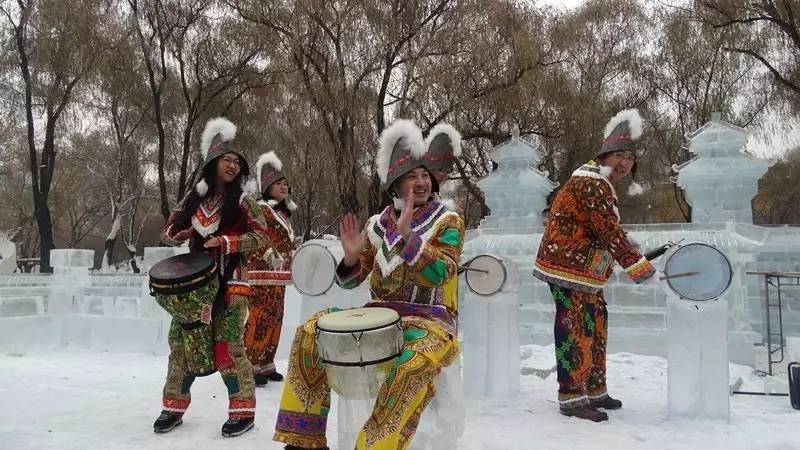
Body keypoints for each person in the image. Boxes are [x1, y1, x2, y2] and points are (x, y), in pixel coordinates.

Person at [273, 119, 465, 449]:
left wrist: (407, 239)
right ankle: (304, 440)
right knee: (309, 333)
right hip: (377, 315)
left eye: (424, 176)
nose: (419, 183)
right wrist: (350, 257)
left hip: (430, 321)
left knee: (410, 365)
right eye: (410, 176)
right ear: (394, 184)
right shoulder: (377, 224)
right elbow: (352, 280)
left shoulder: (448, 220)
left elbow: (443, 272)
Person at [532, 108, 658, 422]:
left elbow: (604, 227)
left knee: (596, 325)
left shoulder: (599, 182)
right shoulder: (591, 181)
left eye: (630, 158)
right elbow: (606, 229)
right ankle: (572, 396)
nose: (625, 164)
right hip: (565, 268)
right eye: (619, 156)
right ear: (604, 155)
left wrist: (631, 249)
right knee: (575, 328)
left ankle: (594, 388)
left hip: (586, 273)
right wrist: (638, 267)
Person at [154, 117, 269, 437]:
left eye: (237, 162)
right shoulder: (195, 198)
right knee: (181, 342)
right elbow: (168, 231)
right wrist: (184, 232)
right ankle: (173, 406)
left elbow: (262, 238)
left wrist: (229, 242)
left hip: (232, 282)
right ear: (212, 164)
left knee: (228, 347)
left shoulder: (245, 202)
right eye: (226, 160)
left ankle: (242, 410)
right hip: (193, 288)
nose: (232, 165)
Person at [244, 151, 297, 386]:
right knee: (259, 317)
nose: (284, 186)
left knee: (276, 317)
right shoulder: (261, 209)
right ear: (267, 187)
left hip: (279, 275)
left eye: (285, 183)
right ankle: (249, 365)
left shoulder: (282, 213)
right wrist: (267, 254)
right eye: (279, 183)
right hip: (261, 273)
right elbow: (253, 237)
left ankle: (266, 363)